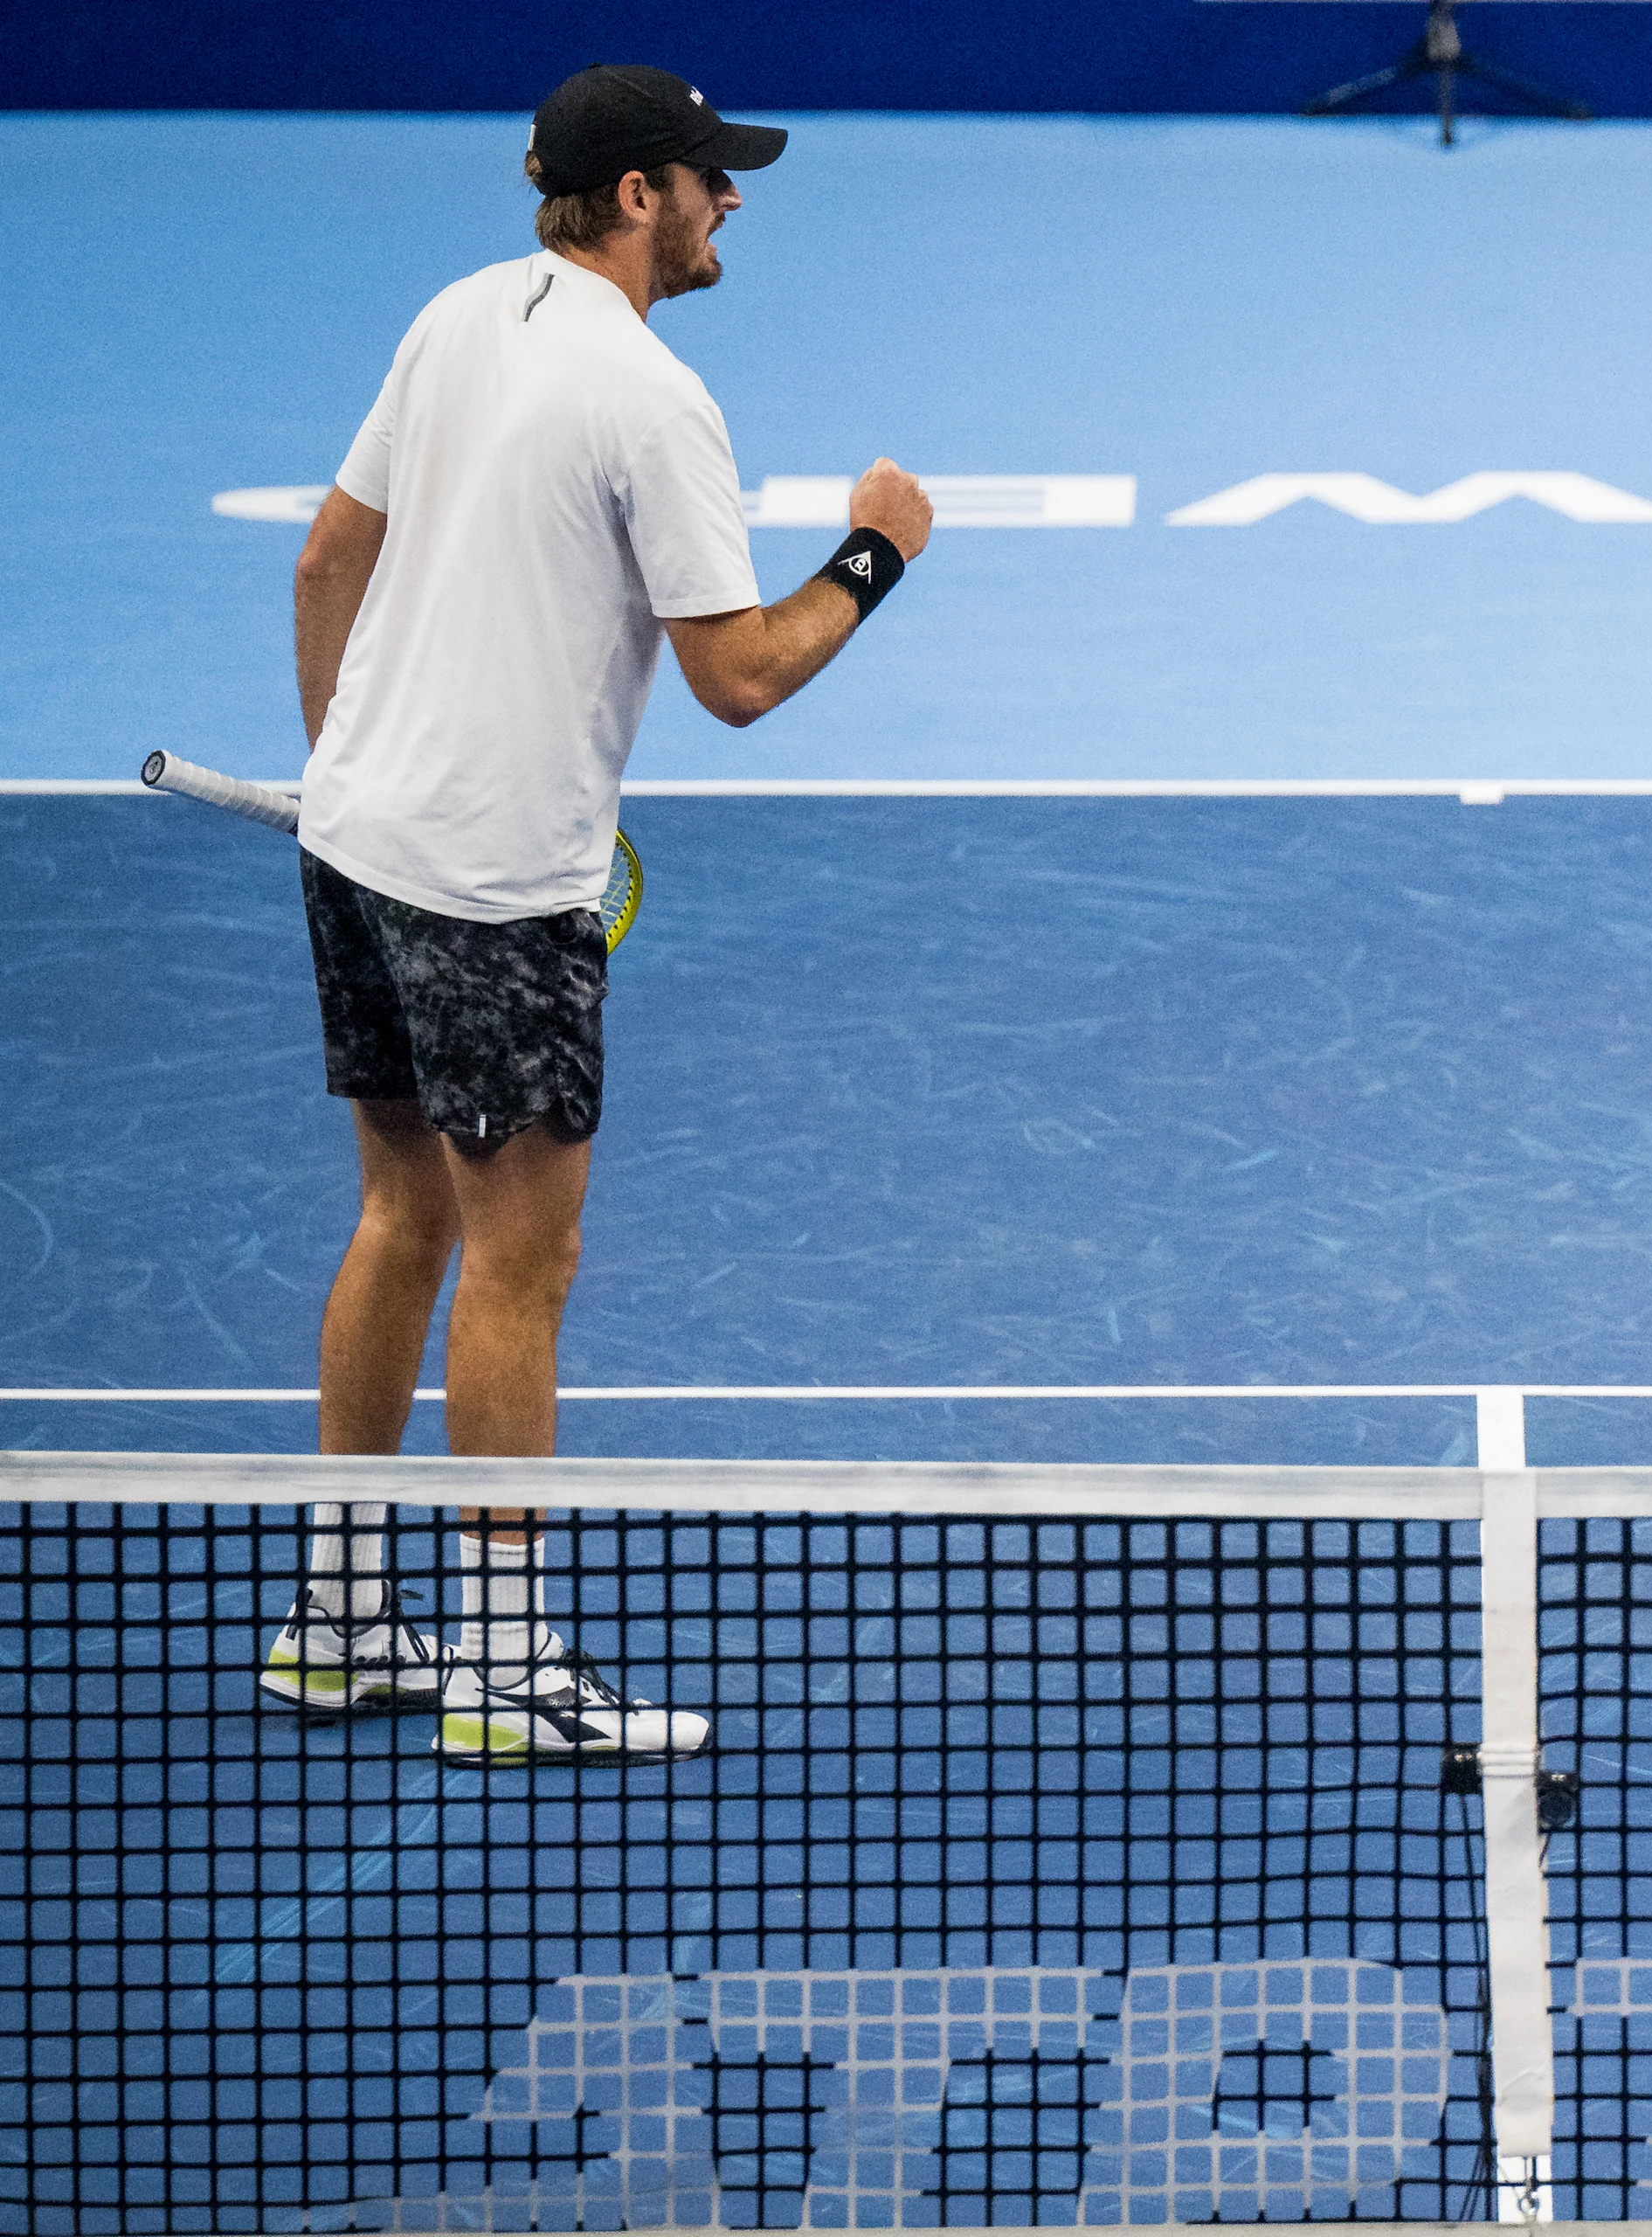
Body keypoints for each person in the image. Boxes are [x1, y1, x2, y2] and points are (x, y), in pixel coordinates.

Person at [258, 66, 937, 1764]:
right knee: (519, 1260)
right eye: (712, 179)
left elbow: (325, 562)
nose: (730, 205)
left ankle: (338, 1621)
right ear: (638, 195)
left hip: (357, 845)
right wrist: (874, 554)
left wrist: (355, 757)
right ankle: (505, 1659)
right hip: (496, 890)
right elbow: (742, 678)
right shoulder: (652, 400)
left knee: (399, 1214)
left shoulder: (457, 312)